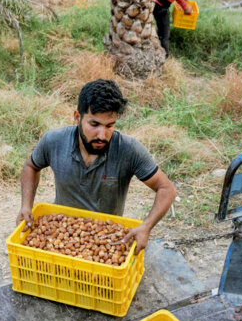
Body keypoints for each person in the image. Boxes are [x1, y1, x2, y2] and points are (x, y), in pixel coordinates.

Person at [16, 79, 177, 252]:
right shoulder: (54, 141)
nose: (102, 135)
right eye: (94, 124)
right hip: (61, 228)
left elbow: (167, 189)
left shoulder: (129, 150)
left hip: (106, 239)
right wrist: (26, 205)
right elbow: (31, 167)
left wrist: (146, 226)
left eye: (110, 125)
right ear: (77, 117)